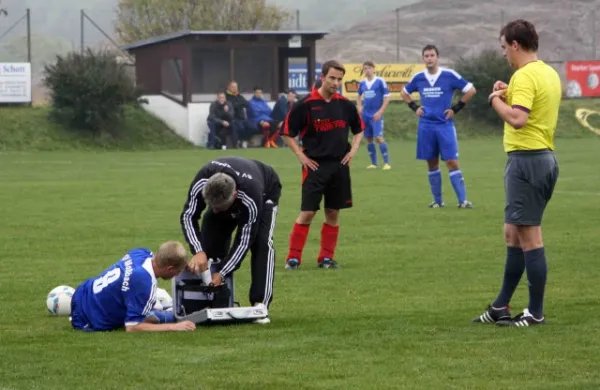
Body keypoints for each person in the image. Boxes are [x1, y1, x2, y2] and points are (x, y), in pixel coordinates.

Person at [473, 19, 560, 327]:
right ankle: (500, 307)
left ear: (514, 44)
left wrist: (495, 98)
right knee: (512, 234)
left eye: (503, 48)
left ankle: (535, 312)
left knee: (530, 237)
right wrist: (508, 90)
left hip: (528, 161)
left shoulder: (524, 75)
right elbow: (532, 103)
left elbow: (518, 118)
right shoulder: (547, 73)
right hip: (542, 159)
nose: (503, 55)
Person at [281, 60, 365, 270]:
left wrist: (352, 152)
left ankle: (326, 258)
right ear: (322, 76)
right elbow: (286, 132)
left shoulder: (345, 105)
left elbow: (359, 129)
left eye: (339, 79)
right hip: (315, 167)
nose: (336, 82)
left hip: (339, 166)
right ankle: (293, 258)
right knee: (308, 212)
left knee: (333, 212)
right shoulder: (306, 103)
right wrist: (301, 157)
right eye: (332, 78)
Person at [180, 156, 281, 323]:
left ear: (234, 196)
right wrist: (198, 251)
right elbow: (188, 216)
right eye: (212, 206)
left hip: (266, 189)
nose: (216, 211)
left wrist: (223, 272)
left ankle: (260, 303)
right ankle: (212, 298)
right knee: (211, 228)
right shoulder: (202, 180)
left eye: (219, 207)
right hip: (233, 191)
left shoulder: (251, 197)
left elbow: (244, 241)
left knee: (262, 242)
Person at [401, 45, 477, 208]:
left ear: (437, 57)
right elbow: (403, 92)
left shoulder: (449, 75)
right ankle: (438, 201)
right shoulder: (419, 77)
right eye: (426, 56)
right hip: (426, 126)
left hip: (444, 126)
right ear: (423, 59)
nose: (429, 58)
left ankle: (463, 201)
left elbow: (471, 90)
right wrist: (415, 107)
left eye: (432, 55)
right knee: (432, 163)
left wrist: (456, 108)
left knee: (452, 162)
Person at [70, 241, 196, 332]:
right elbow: (132, 327)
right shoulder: (144, 283)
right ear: (169, 269)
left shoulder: (141, 253)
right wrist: (173, 327)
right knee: (170, 316)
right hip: (86, 319)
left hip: (83, 292)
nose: (178, 274)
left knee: (159, 299)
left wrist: (183, 263)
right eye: (178, 271)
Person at [356, 60, 391, 170]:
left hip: (376, 114)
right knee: (369, 138)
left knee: (379, 137)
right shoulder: (362, 83)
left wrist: (380, 112)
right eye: (365, 68)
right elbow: (358, 96)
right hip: (365, 115)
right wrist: (359, 106)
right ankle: (374, 164)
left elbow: (387, 97)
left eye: (369, 68)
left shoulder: (380, 81)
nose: (367, 70)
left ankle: (387, 163)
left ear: (373, 69)